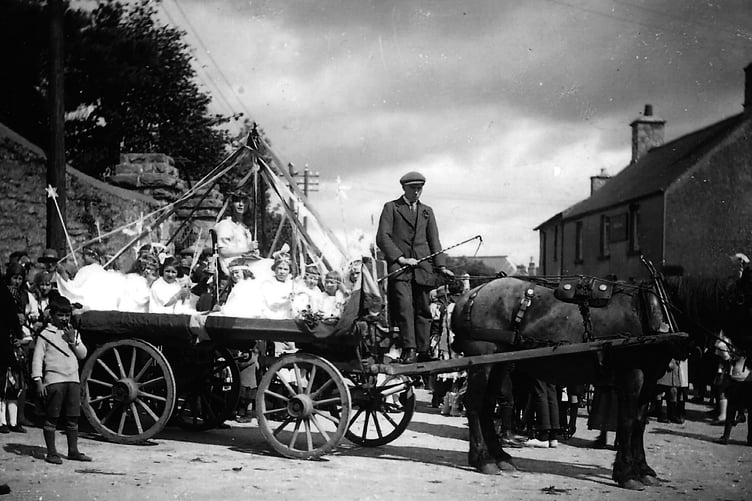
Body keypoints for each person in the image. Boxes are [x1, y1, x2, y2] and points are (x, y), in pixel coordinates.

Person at [376, 171, 453, 363]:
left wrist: (441, 266)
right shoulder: (392, 208)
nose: (417, 192)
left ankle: (424, 350)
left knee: (423, 310)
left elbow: (434, 240)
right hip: (400, 268)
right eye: (413, 188)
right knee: (404, 309)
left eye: (420, 189)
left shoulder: (427, 211)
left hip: (423, 268)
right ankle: (409, 349)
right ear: (404, 188)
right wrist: (401, 259)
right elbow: (382, 237)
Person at [31, 294, 92, 464]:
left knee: (73, 418)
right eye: (60, 315)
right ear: (52, 315)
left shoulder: (72, 333)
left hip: (72, 379)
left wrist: (73, 340)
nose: (64, 319)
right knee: (52, 417)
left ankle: (73, 451)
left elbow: (83, 354)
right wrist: (38, 380)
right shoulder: (45, 334)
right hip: (54, 381)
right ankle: (51, 452)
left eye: (67, 315)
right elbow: (37, 359)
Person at [214, 190, 259, 276]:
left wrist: (252, 253)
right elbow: (223, 251)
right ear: (231, 204)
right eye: (237, 201)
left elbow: (244, 250)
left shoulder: (244, 227)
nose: (241, 204)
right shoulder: (225, 225)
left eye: (244, 202)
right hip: (232, 267)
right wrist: (247, 249)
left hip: (245, 264)